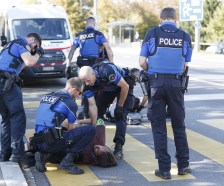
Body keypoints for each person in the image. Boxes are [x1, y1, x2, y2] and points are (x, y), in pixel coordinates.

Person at [139, 7, 192, 179]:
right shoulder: (184, 36)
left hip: (156, 84)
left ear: (160, 19)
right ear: (176, 20)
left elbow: (141, 62)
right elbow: (185, 64)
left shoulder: (152, 33)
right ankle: (183, 166)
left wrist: (152, 69)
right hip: (176, 85)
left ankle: (164, 169)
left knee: (159, 127)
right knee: (179, 125)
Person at [0, 33, 43, 164]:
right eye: (35, 46)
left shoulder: (12, 44)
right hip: (7, 84)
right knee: (18, 117)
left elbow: (21, 64)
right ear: (33, 41)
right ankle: (18, 155)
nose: (33, 50)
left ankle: (5, 153)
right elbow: (30, 62)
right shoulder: (22, 43)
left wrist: (32, 53)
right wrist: (39, 53)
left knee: (6, 118)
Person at [33, 77, 97, 175]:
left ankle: (44, 156)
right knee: (91, 130)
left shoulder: (47, 96)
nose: (79, 97)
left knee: (61, 137)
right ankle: (68, 161)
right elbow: (71, 129)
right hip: (51, 143)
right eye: (80, 93)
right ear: (74, 89)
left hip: (38, 142)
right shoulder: (70, 103)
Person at [79, 64, 139, 160]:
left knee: (120, 114)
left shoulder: (107, 72)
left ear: (94, 74)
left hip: (123, 86)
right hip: (107, 88)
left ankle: (118, 146)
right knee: (97, 112)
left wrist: (119, 106)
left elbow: (125, 86)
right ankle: (95, 140)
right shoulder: (86, 85)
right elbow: (92, 105)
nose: (86, 83)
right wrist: (90, 121)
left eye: (88, 81)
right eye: (84, 81)